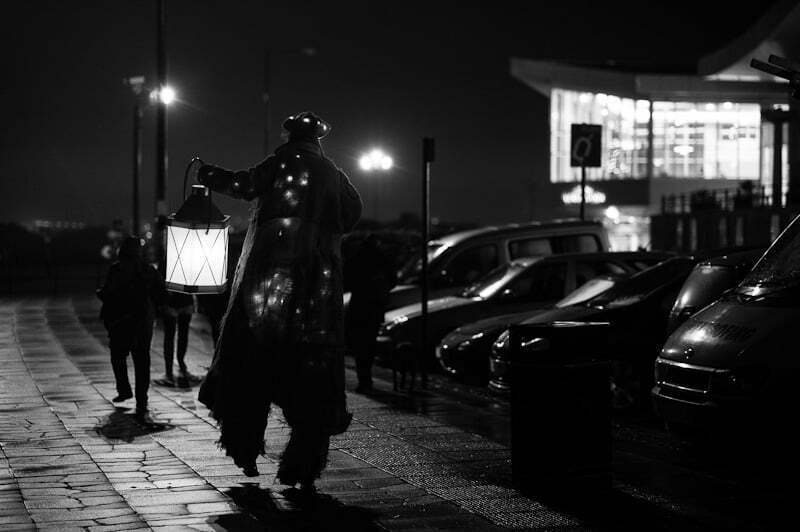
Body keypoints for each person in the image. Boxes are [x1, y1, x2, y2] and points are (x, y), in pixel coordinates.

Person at [197, 111, 362, 492]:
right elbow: (353, 213)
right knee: (310, 377)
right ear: (319, 140)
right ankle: (302, 467)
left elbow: (242, 184)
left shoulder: (280, 164)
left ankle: (245, 449)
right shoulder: (334, 174)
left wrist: (208, 174)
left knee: (250, 365)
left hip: (266, 285)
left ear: (290, 137)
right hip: (315, 294)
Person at [97, 236, 166, 420]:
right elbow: (161, 292)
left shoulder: (116, 270)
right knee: (142, 361)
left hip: (120, 322)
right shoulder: (148, 270)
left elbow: (107, 293)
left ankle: (124, 389)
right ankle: (141, 401)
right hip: (143, 322)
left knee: (118, 356)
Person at [345, 234, 395, 393]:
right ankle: (367, 378)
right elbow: (393, 279)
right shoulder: (382, 258)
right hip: (374, 306)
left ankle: (364, 379)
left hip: (359, 305)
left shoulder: (357, 258)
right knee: (369, 342)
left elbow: (346, 280)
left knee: (359, 344)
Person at [160, 291, 196, 386]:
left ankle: (174, 369)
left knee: (174, 336)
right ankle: (174, 369)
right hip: (176, 299)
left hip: (176, 299)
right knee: (175, 336)